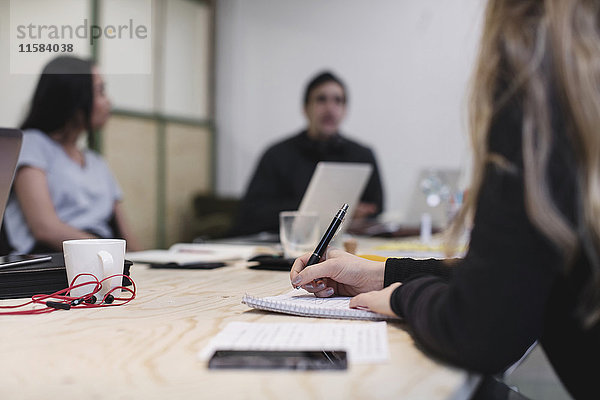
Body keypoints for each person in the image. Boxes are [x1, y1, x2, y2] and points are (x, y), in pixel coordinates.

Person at [290, 1, 599, 399]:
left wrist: (402, 296)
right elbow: (512, 277)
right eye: (321, 100)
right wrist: (382, 273)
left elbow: (482, 327)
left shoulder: (542, 97)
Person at [3, 56, 141, 254]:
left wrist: (143, 265)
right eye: (100, 91)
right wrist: (107, 251)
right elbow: (45, 228)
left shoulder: (97, 162)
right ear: (74, 97)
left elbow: (127, 237)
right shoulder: (32, 144)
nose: (109, 102)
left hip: (102, 259)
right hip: (54, 259)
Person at [230, 71, 384, 236]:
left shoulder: (362, 156)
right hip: (284, 244)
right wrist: (321, 211)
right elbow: (251, 214)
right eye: (321, 99)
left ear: (345, 110)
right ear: (305, 108)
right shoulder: (277, 155)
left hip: (344, 245)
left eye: (338, 101)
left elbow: (376, 209)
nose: (330, 108)